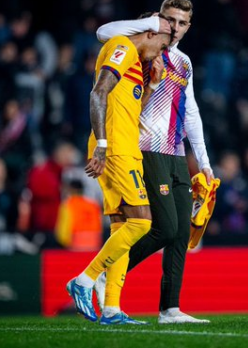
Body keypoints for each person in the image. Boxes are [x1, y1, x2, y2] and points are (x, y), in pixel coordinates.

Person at [94, 0, 214, 324]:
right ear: (160, 19)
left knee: (180, 233)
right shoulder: (143, 47)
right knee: (163, 228)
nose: (174, 28)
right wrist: (150, 25)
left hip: (175, 153)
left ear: (189, 27)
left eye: (181, 23)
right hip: (145, 148)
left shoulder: (184, 63)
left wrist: (203, 161)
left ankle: (169, 309)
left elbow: (191, 113)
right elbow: (104, 32)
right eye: (169, 20)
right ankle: (105, 271)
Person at [66, 16, 173, 325]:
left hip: (126, 148)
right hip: (115, 149)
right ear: (151, 33)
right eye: (162, 46)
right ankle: (85, 280)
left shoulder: (137, 67)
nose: (162, 53)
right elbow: (98, 93)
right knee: (142, 224)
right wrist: (101, 144)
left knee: (121, 229)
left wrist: (152, 85)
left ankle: (111, 307)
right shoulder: (122, 47)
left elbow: (131, 111)